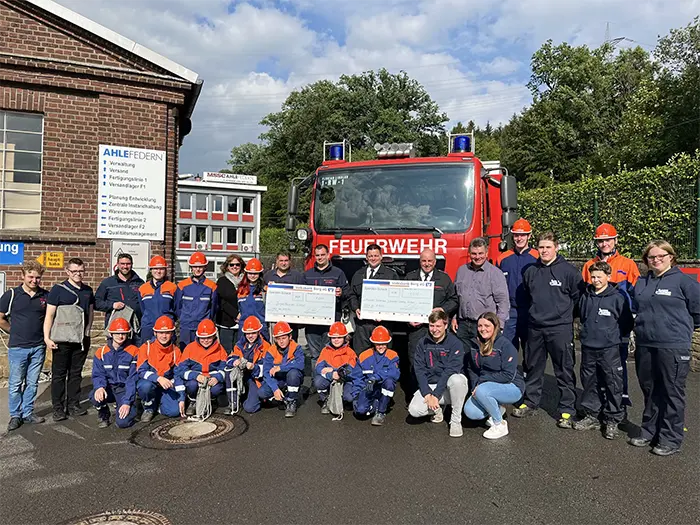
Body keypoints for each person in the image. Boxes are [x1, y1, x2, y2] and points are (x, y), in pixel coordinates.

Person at [629, 240, 700, 456]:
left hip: (673, 347)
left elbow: (697, 313)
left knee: (672, 392)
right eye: (651, 257)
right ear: (646, 260)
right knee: (650, 390)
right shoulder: (641, 282)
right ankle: (650, 431)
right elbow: (635, 308)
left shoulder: (684, 282)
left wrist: (679, 329)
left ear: (671, 257)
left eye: (661, 255)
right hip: (646, 345)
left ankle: (670, 438)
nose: (656, 260)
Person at [512, 232, 583, 428]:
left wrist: (564, 317)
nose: (544, 251)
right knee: (533, 367)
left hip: (559, 329)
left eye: (548, 247)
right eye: (541, 247)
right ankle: (531, 402)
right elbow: (528, 296)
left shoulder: (569, 272)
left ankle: (567, 409)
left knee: (564, 370)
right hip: (535, 327)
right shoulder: (531, 271)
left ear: (556, 248)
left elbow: (578, 299)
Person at [582, 223, 640, 408]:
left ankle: (618, 408)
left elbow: (635, 295)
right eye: (600, 240)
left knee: (616, 371)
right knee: (592, 372)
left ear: (615, 240)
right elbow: (585, 296)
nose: (604, 243)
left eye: (608, 239)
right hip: (596, 330)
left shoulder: (628, 264)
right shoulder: (588, 265)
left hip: (618, 329)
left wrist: (630, 324)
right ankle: (596, 406)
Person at [573, 262, 633, 439]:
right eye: (593, 277)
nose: (596, 280)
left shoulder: (617, 297)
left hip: (609, 348)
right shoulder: (586, 296)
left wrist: (612, 337)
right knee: (589, 381)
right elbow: (582, 316)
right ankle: (592, 415)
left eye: (599, 276)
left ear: (608, 276)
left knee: (613, 382)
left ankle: (612, 418)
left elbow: (626, 322)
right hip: (589, 347)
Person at [44, 257, 95, 422]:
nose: (78, 274)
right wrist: (47, 337)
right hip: (61, 340)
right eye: (74, 271)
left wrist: (87, 332)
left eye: (81, 271)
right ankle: (58, 408)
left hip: (80, 340)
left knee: (75, 374)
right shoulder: (58, 290)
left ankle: (73, 405)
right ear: (67, 272)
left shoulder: (88, 290)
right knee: (59, 375)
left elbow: (90, 313)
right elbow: (49, 315)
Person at [0, 261, 48, 431]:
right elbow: (0, 318)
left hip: (38, 347)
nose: (34, 280)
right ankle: (15, 415)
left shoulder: (45, 296)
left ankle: (27, 412)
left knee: (32, 382)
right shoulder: (11, 295)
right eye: (31, 277)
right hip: (18, 347)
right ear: (23, 276)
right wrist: (13, 331)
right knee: (15, 384)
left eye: (37, 277)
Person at [404, 248, 458, 395]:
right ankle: (416, 395)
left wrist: (442, 310)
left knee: (438, 361)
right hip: (416, 329)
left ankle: (438, 394)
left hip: (437, 329)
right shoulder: (410, 278)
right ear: (419, 261)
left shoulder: (444, 279)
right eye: (424, 261)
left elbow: (454, 300)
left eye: (429, 261)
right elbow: (402, 302)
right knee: (415, 360)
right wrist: (408, 319)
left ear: (435, 262)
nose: (427, 264)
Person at [464, 312, 525, 439]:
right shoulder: (475, 344)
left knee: (482, 390)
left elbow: (508, 375)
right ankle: (498, 409)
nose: (483, 329)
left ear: (495, 326)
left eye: (487, 325)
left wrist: (481, 383)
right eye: (480, 326)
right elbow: (472, 369)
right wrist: (475, 386)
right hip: (485, 386)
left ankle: (499, 424)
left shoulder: (505, 345)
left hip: (512, 386)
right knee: (470, 412)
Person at [408, 309, 468, 438]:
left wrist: (436, 395)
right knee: (414, 410)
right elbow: (419, 370)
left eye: (438, 326)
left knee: (458, 380)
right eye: (431, 325)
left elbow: (450, 370)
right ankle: (437, 409)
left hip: (448, 386)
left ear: (446, 326)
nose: (434, 329)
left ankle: (456, 420)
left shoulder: (455, 343)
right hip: (431, 386)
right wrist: (427, 393)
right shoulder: (422, 343)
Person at [452, 237, 510, 350]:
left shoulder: (495, 273)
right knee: (462, 360)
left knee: (482, 361)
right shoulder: (461, 271)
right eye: (474, 253)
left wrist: (499, 326)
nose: (477, 257)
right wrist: (454, 317)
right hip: (463, 325)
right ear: (469, 254)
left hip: (484, 327)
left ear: (487, 253)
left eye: (480, 253)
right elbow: (456, 298)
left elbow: (503, 302)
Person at [304, 244, 349, 375]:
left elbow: (347, 292)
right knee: (314, 355)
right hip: (312, 322)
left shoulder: (338, 273)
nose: (320, 258)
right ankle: (316, 382)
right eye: (317, 255)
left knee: (329, 352)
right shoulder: (307, 275)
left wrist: (341, 293)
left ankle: (329, 379)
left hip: (331, 321)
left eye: (323, 255)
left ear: (328, 255)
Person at [497, 218, 539, 351]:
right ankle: (511, 372)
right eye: (516, 235)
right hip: (510, 310)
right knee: (508, 347)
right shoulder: (502, 258)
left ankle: (528, 372)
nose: (519, 238)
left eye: (523, 235)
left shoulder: (537, 257)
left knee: (530, 349)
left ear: (529, 236)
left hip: (530, 310)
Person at [348, 244, 399, 354]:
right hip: (363, 324)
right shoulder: (358, 274)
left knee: (383, 356)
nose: (373, 258)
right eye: (370, 256)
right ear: (366, 257)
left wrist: (385, 313)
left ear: (381, 256)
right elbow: (352, 295)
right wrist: (355, 308)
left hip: (383, 324)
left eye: (376, 255)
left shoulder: (391, 275)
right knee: (361, 355)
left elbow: (396, 298)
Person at [90, 318, 139, 429]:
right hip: (109, 388)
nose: (120, 336)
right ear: (111, 333)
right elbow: (98, 374)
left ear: (128, 334)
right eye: (117, 333)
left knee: (123, 423)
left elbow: (132, 379)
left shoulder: (134, 351)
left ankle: (130, 407)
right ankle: (103, 413)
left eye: (123, 333)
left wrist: (127, 402)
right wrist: (99, 387)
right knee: (94, 395)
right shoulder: (101, 352)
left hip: (124, 389)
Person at [175, 319, 228, 416]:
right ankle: (193, 401)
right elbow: (181, 370)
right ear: (197, 336)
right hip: (195, 381)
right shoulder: (190, 348)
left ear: (214, 336)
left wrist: (217, 378)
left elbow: (225, 368)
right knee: (191, 385)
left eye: (208, 337)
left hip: (211, 380)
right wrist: (195, 376)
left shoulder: (220, 349)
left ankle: (210, 401)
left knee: (217, 389)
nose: (205, 340)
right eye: (202, 338)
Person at [136, 315, 184, 422]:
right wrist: (158, 378)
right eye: (161, 333)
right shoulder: (146, 347)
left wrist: (181, 399)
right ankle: (148, 408)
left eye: (167, 333)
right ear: (155, 333)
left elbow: (178, 376)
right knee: (145, 386)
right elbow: (141, 371)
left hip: (166, 387)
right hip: (150, 383)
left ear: (172, 334)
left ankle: (158, 404)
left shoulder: (176, 351)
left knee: (174, 412)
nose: (164, 336)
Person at [354, 326, 400, 426]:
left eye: (383, 344)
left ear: (388, 342)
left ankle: (381, 412)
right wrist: (356, 394)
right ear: (373, 343)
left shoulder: (393, 355)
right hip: (368, 388)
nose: (381, 346)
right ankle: (376, 404)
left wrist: (376, 377)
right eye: (378, 344)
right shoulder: (364, 356)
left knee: (389, 382)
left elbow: (395, 373)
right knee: (360, 411)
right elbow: (357, 376)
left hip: (382, 387)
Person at [95, 253, 144, 345]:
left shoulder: (140, 283)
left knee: (135, 356)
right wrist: (112, 305)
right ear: (117, 264)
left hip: (136, 329)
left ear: (132, 265)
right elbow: (96, 303)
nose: (125, 266)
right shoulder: (108, 283)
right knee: (115, 356)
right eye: (122, 264)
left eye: (128, 264)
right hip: (116, 329)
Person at [259, 321, 305, 418]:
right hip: (278, 380)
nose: (281, 341)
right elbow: (266, 372)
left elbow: (300, 365)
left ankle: (291, 401)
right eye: (278, 339)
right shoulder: (271, 351)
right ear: (275, 339)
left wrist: (281, 368)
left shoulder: (296, 348)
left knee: (293, 373)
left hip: (291, 378)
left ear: (290, 337)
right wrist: (275, 389)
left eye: (284, 338)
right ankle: (281, 396)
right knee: (262, 393)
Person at [228, 316, 272, 414]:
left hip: (256, 379)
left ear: (259, 332)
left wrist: (253, 367)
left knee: (249, 408)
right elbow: (229, 358)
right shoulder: (240, 344)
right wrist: (234, 361)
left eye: (253, 333)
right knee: (228, 372)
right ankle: (233, 402)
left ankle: (260, 398)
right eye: (248, 333)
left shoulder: (266, 346)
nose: (250, 336)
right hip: (242, 375)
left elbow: (266, 369)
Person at [314, 322, 360, 415]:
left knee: (349, 397)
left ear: (345, 338)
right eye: (333, 338)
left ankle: (344, 400)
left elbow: (350, 371)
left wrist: (333, 371)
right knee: (318, 381)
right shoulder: (325, 351)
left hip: (347, 380)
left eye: (339, 337)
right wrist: (331, 375)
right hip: (331, 377)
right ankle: (325, 399)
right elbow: (318, 368)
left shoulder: (350, 352)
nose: (336, 340)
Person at [175, 252, 218, 351]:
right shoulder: (182, 286)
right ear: (191, 268)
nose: (197, 269)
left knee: (202, 354)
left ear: (205, 267)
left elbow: (214, 308)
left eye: (200, 267)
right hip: (186, 326)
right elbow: (178, 306)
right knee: (185, 353)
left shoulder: (212, 286)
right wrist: (184, 319)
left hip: (203, 327)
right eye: (195, 267)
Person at [263, 252, 305, 340]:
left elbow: (304, 294)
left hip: (291, 318)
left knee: (291, 342)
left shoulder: (297, 276)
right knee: (275, 342)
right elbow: (261, 289)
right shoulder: (268, 275)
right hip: (274, 318)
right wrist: (265, 288)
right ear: (277, 261)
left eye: (286, 260)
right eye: (281, 260)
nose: (283, 263)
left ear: (290, 261)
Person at [138, 256, 177, 344]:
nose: (158, 271)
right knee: (147, 353)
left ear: (165, 270)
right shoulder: (143, 288)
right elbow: (142, 309)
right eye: (155, 268)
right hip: (148, 327)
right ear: (151, 270)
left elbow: (176, 308)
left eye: (161, 269)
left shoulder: (172, 287)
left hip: (166, 328)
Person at [215, 255, 246, 354]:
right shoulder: (222, 281)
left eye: (237, 264)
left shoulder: (246, 281)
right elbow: (221, 301)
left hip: (243, 322)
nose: (235, 267)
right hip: (226, 323)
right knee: (226, 352)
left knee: (240, 352)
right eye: (231, 264)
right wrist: (236, 314)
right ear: (227, 266)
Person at [236, 258, 269, 342]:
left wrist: (273, 288)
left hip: (261, 327)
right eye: (250, 273)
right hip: (244, 328)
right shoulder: (240, 289)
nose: (253, 276)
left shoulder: (265, 289)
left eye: (255, 273)